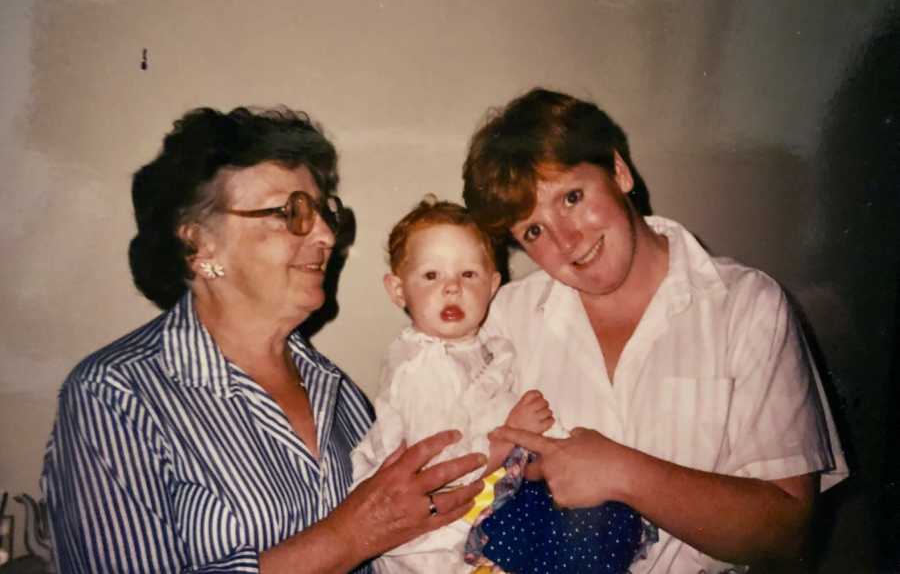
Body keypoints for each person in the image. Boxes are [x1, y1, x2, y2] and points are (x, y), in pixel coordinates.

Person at [40, 106, 487, 574]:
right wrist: (349, 536)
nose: (325, 235)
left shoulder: (338, 391)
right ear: (200, 245)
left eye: (324, 213)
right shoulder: (115, 394)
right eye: (290, 212)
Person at [462, 88, 848, 573]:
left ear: (619, 172)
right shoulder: (505, 320)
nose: (566, 240)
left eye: (572, 198)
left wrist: (623, 472)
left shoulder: (748, 307)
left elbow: (788, 534)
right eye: (533, 231)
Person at [351, 197, 643, 574]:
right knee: (593, 529)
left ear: (492, 286)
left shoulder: (484, 349)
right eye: (431, 276)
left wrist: (536, 456)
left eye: (468, 275)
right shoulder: (420, 367)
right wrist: (513, 436)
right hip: (442, 533)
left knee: (610, 517)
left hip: (491, 498)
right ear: (397, 289)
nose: (452, 288)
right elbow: (441, 469)